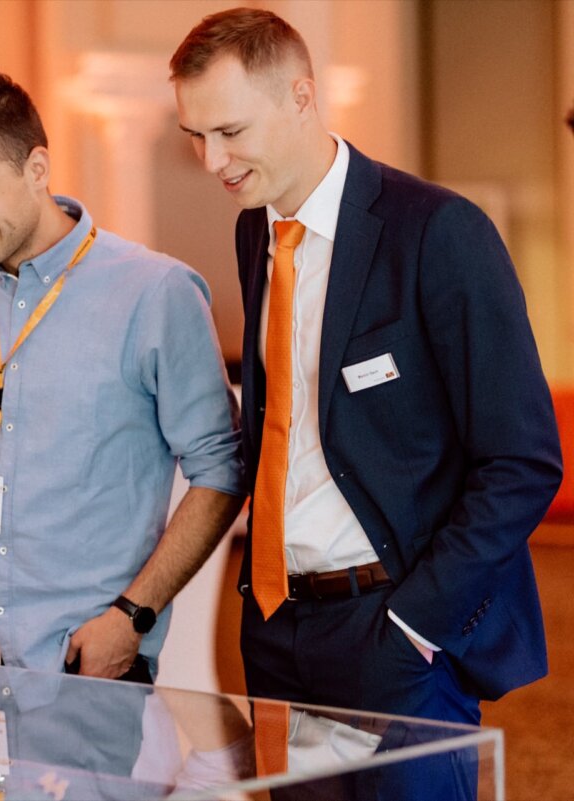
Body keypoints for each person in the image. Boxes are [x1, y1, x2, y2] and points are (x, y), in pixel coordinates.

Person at [170, 8, 562, 726]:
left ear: (301, 97)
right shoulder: (251, 227)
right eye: (195, 136)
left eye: (230, 132)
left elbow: (522, 460)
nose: (212, 162)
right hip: (274, 628)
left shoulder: (439, 232)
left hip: (395, 632)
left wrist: (416, 622)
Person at [0, 65, 244, 681]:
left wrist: (132, 617)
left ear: (37, 169)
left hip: (86, 660)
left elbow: (222, 470)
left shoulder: (155, 292)